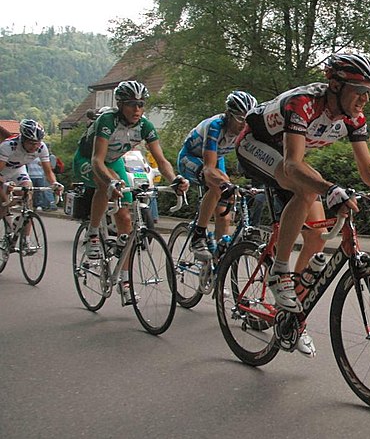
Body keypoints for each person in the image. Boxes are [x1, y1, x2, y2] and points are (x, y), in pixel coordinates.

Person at [236, 53, 370, 357]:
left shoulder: (354, 118)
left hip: (289, 159)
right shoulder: (302, 104)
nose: (364, 99)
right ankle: (279, 271)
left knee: (317, 235)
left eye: (368, 92)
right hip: (255, 147)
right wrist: (330, 190)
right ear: (335, 86)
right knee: (307, 190)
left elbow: (369, 172)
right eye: (358, 91)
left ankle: (291, 316)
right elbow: (291, 164)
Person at [73, 80, 189, 305]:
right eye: (131, 105)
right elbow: (97, 159)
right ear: (120, 105)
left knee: (125, 218)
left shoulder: (145, 125)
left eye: (141, 104)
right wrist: (110, 182)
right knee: (104, 185)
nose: (137, 110)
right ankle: (93, 233)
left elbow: (162, 160)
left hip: (114, 162)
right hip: (89, 160)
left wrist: (175, 180)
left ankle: (125, 282)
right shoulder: (107, 121)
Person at [177, 91, 257, 260]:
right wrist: (224, 183)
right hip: (190, 158)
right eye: (240, 119)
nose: (244, 125)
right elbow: (208, 168)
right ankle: (198, 235)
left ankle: (216, 266)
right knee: (215, 186)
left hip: (216, 158)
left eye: (247, 119)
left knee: (224, 216)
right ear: (228, 114)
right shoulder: (215, 126)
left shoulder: (246, 130)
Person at [0, 119, 63, 246]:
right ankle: (7, 218)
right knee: (4, 200)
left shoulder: (41, 147)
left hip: (18, 170)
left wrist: (55, 184)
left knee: (28, 193)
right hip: (3, 171)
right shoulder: (8, 146)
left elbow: (48, 172)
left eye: (37, 143)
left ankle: (26, 240)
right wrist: (6, 186)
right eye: (31, 143)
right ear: (23, 139)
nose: (34, 147)